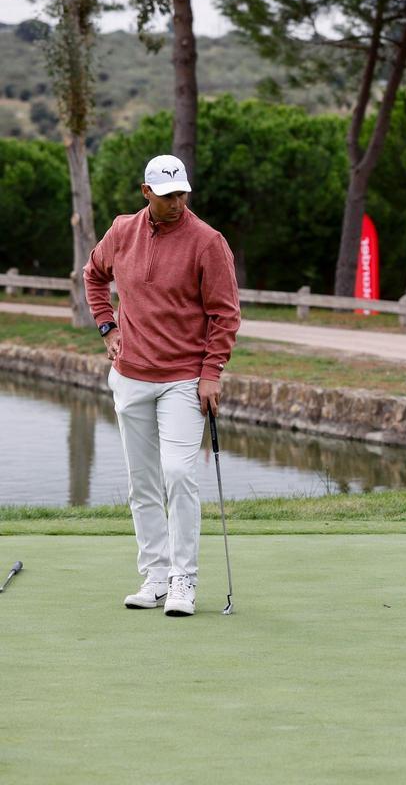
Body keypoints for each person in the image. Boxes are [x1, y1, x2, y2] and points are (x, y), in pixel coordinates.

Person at [84, 154, 241, 617]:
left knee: (178, 474)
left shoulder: (208, 242)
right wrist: (107, 328)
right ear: (146, 192)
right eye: (169, 194)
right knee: (142, 482)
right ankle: (154, 576)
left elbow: (225, 313)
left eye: (183, 193)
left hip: (183, 380)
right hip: (131, 376)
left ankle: (183, 580)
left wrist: (212, 372)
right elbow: (94, 275)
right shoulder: (121, 231)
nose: (179, 201)